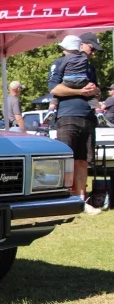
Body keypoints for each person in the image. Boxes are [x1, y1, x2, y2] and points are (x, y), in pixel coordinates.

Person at [47, 32, 103, 216]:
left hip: (87, 117)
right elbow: (54, 88)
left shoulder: (89, 66)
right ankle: (60, 200)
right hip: (67, 116)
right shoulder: (60, 62)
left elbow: (94, 91)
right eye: (92, 48)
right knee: (65, 160)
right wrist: (80, 92)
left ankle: (81, 202)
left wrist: (95, 91)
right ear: (82, 44)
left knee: (82, 161)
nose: (93, 52)